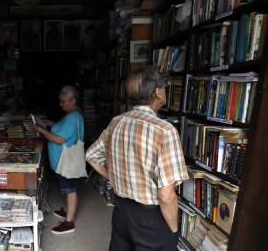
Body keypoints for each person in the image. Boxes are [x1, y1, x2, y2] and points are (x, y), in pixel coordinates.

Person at [85, 67, 189, 250]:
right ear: (157, 91)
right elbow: (166, 194)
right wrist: (173, 231)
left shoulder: (117, 121)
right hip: (150, 218)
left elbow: (91, 156)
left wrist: (116, 177)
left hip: (121, 211)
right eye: (164, 87)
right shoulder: (165, 131)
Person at [32, 85, 84, 235]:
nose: (60, 104)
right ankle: (67, 210)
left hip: (68, 161)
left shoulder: (74, 117)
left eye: (63, 101)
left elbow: (60, 139)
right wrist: (49, 123)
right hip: (63, 161)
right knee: (67, 188)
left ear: (73, 100)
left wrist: (40, 130)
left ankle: (69, 223)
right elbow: (62, 129)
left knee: (70, 190)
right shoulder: (71, 114)